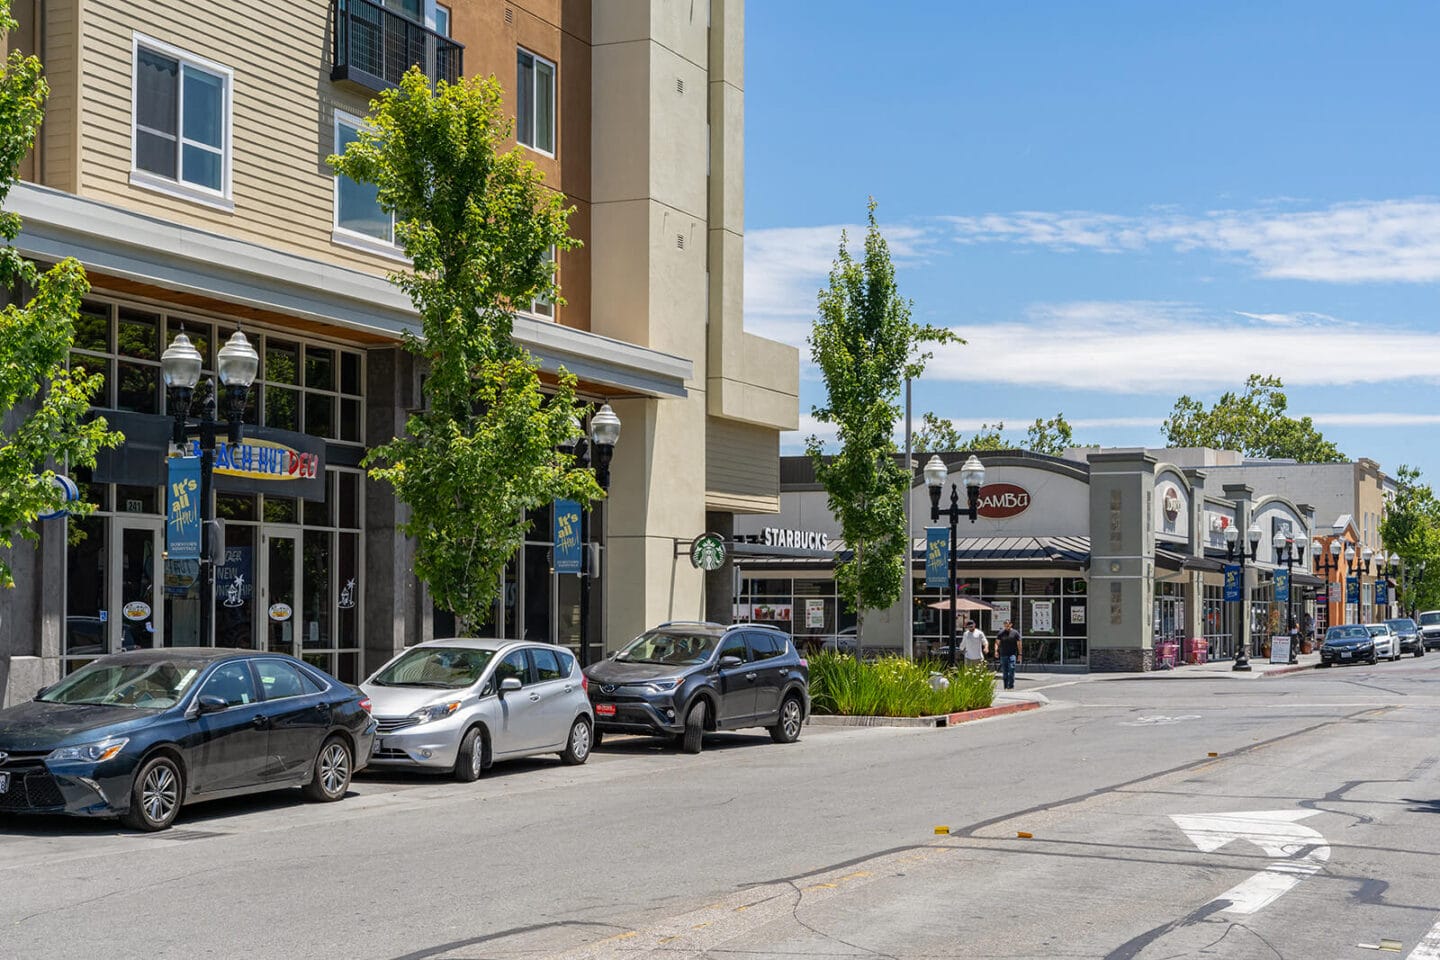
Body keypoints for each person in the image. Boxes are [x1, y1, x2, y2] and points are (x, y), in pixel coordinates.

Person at [993, 620, 1023, 690]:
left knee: (1011, 669)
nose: (1007, 627)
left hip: (1012, 654)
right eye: (1005, 625)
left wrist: (1020, 654)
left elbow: (1019, 644)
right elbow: (997, 643)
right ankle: (1006, 686)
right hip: (1003, 654)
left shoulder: (1015, 633)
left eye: (1008, 625)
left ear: (1011, 625)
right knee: (1005, 671)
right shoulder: (1001, 633)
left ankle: (1011, 686)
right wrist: (996, 651)